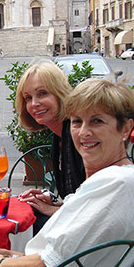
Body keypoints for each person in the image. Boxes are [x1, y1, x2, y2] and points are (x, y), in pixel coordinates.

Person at [0, 78, 134, 267]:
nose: (83, 132)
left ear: (125, 129)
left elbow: (52, 261)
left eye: (97, 121)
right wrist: (10, 256)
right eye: (77, 121)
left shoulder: (119, 182)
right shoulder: (115, 179)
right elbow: (65, 256)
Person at [15, 60, 85, 234]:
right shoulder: (59, 137)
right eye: (28, 98)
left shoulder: (78, 135)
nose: (34, 104)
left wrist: (53, 210)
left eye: (42, 93)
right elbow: (78, 197)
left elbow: (93, 206)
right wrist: (51, 200)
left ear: (60, 93)